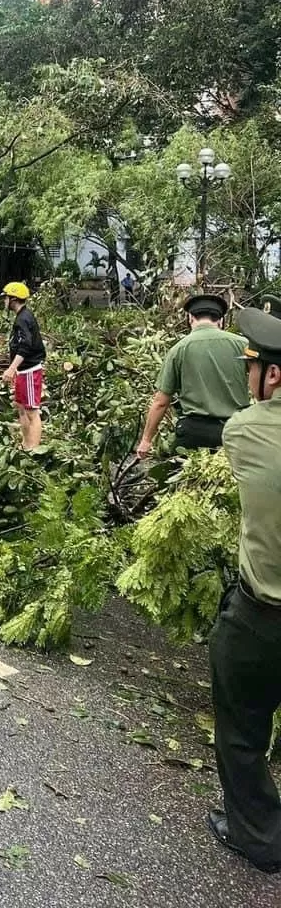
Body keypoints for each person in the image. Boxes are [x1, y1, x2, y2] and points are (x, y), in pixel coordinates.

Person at [206, 304, 281, 875]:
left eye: (251, 367)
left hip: (263, 619)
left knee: (242, 730)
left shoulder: (245, 430)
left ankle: (257, 836)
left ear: (272, 376)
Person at [136, 294, 249, 457]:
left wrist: (146, 440)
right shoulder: (243, 345)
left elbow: (161, 402)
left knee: (180, 478)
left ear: (190, 318)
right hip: (237, 431)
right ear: (221, 320)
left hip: (194, 434)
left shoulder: (178, 350)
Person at [0, 282, 47, 450]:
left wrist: (11, 368)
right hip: (22, 371)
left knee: (31, 411)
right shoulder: (22, 317)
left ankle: (33, 450)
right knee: (20, 408)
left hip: (29, 370)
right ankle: (25, 444)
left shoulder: (23, 319)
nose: (4, 301)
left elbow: (25, 346)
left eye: (6, 297)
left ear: (13, 299)